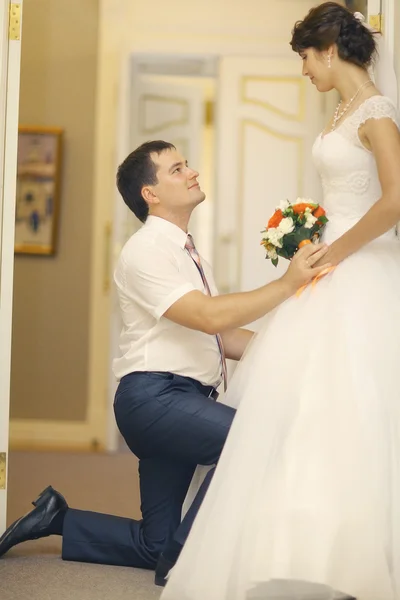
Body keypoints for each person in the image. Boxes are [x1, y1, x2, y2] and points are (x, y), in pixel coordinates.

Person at [0, 141, 328, 586]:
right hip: (154, 401)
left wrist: (297, 346)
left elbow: (222, 336)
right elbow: (208, 316)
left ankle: (59, 518)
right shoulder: (145, 252)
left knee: (155, 542)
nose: (191, 172)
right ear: (150, 193)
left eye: (187, 164)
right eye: (177, 169)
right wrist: (288, 283)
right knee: (253, 439)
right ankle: (183, 565)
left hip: (180, 400)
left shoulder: (190, 254)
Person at [160, 3, 400, 600]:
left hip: (359, 271)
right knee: (309, 411)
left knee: (354, 409)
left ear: (329, 50)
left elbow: (396, 200)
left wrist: (335, 251)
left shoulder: (376, 110)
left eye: (303, 58)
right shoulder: (343, 110)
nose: (303, 72)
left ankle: (355, 555)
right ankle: (301, 548)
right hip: (334, 264)